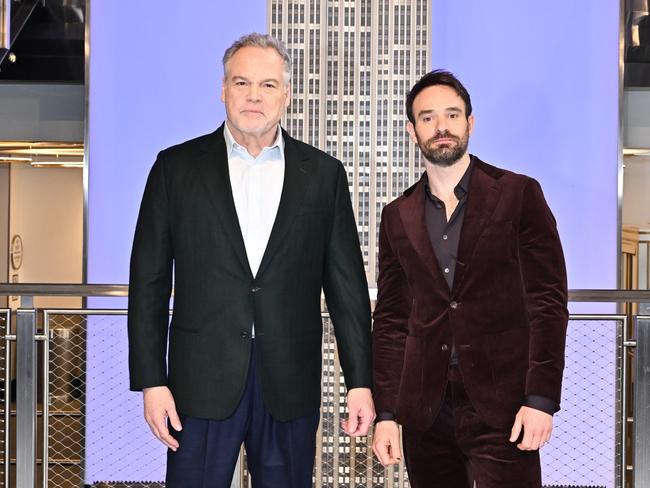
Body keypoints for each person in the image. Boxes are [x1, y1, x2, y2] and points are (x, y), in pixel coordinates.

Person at [127, 32, 375, 487]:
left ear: (286, 94)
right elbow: (148, 282)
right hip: (199, 382)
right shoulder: (175, 168)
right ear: (223, 90)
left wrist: (360, 381)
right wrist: (150, 380)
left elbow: (347, 289)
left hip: (290, 383)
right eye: (241, 83)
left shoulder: (323, 175)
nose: (254, 96)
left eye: (267, 85)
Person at [371, 70, 568, 488]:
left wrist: (541, 399)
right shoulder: (396, 215)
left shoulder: (518, 194)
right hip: (426, 410)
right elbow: (391, 321)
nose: (441, 126)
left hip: (506, 407)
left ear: (469, 123)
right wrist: (387, 414)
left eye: (452, 115)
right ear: (413, 131)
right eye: (428, 117)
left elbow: (547, 303)